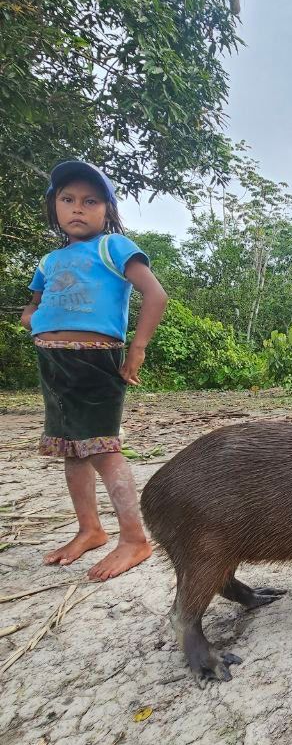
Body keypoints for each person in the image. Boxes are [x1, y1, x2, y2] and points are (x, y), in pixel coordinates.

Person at [21, 161, 169, 581]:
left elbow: (155, 295)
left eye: (90, 201)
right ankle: (90, 530)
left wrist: (137, 349)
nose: (77, 209)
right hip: (52, 360)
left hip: (94, 359)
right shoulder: (50, 260)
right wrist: (33, 317)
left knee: (102, 449)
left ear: (107, 210)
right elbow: (32, 305)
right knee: (71, 449)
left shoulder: (114, 247)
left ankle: (135, 539)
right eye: (67, 200)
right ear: (55, 207)